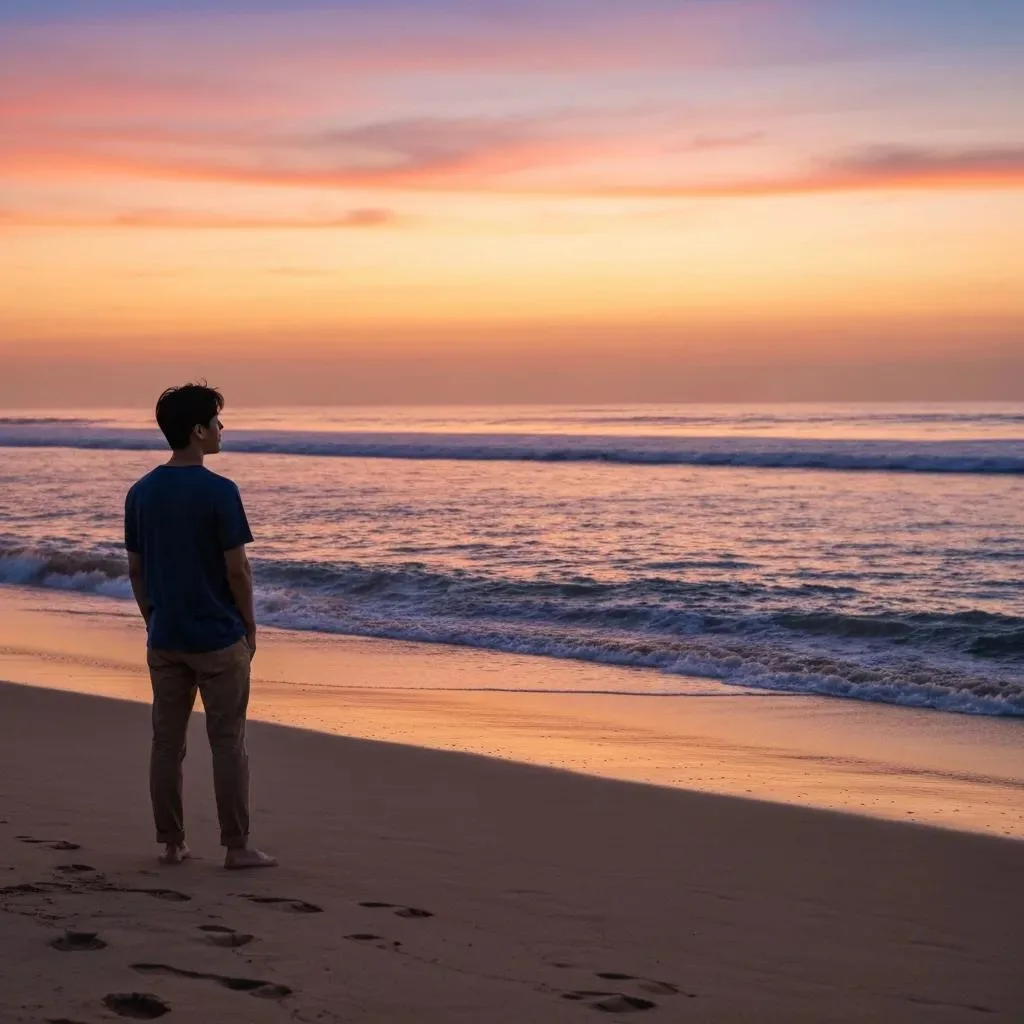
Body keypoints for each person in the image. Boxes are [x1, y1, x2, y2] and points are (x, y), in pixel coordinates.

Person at [124, 382, 276, 870]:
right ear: (197, 430)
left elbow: (137, 569)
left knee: (167, 743)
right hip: (216, 637)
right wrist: (249, 627)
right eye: (216, 421)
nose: (221, 429)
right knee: (228, 742)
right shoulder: (219, 491)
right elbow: (237, 570)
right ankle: (236, 846)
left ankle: (171, 843)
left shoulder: (141, 492)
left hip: (166, 635)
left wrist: (152, 617)